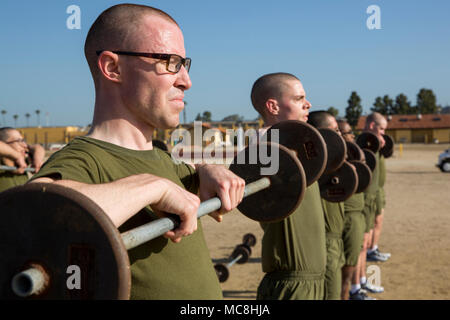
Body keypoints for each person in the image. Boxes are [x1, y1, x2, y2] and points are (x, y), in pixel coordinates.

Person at [29, 4, 246, 300]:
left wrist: (208, 170)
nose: (186, 80)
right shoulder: (84, 160)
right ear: (113, 68)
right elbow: (31, 217)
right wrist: (150, 186)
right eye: (169, 62)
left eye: (184, 63)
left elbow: (187, 174)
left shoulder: (161, 157)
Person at [250, 72, 327, 300]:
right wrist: (264, 141)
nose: (308, 104)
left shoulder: (301, 152)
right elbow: (257, 152)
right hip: (292, 286)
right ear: (273, 107)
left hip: (315, 278)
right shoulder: (264, 152)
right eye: (298, 98)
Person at [307, 111, 346, 300]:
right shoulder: (312, 170)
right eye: (335, 131)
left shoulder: (333, 165)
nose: (340, 136)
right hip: (323, 246)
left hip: (335, 242)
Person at [349, 112, 386, 299]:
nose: (383, 133)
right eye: (381, 129)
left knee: (363, 245)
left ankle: (362, 281)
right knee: (359, 246)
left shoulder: (373, 144)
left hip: (369, 200)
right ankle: (355, 288)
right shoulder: (358, 145)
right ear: (371, 126)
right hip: (360, 203)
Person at [337, 120, 368, 300]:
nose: (353, 136)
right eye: (349, 132)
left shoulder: (354, 156)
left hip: (355, 215)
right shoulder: (334, 161)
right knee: (345, 268)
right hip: (345, 218)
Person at [0, 127, 45, 192]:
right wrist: (17, 156)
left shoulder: (24, 161)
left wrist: (37, 160)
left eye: (23, 141)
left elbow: (37, 147)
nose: (24, 145)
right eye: (18, 141)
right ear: (4, 143)